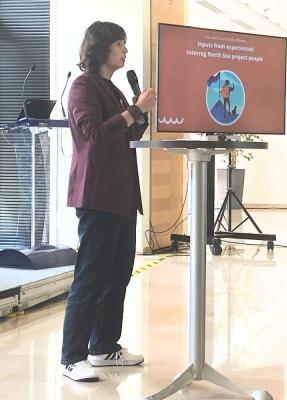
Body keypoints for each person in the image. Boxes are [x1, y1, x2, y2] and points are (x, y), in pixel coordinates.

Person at [61, 21, 156, 382]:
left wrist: (138, 112)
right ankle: (72, 356)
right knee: (91, 277)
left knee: (118, 276)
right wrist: (134, 111)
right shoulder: (82, 87)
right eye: (120, 44)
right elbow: (94, 134)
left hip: (122, 195)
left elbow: (129, 134)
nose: (125, 51)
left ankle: (103, 348)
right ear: (102, 48)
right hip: (97, 195)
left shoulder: (112, 89)